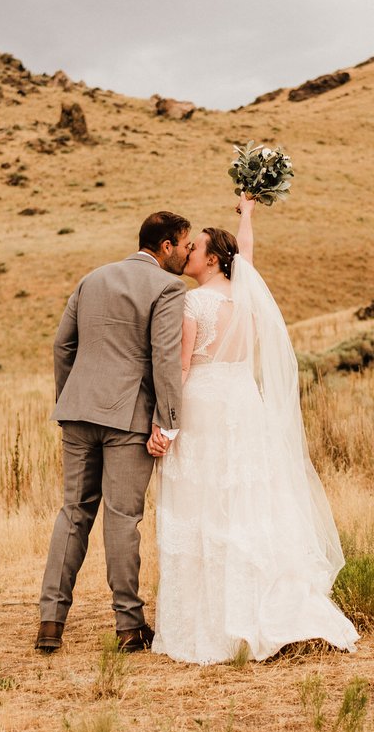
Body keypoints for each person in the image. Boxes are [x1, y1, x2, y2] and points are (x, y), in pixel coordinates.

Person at [150, 196, 359, 664]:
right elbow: (245, 251)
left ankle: (214, 624)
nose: (188, 253)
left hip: (203, 408)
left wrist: (166, 427)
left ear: (212, 259)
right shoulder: (245, 295)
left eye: (196, 247)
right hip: (245, 407)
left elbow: (181, 369)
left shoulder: (194, 303)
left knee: (205, 508)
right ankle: (266, 600)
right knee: (247, 503)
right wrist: (247, 213)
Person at [35, 211, 192, 654]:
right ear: (165, 246)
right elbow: (164, 358)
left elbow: (62, 344)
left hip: (78, 412)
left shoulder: (92, 279)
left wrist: (72, 397)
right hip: (128, 420)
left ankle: (50, 622)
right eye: (183, 244)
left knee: (73, 513)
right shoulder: (167, 287)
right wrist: (169, 422)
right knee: (123, 519)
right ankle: (129, 626)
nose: (186, 253)